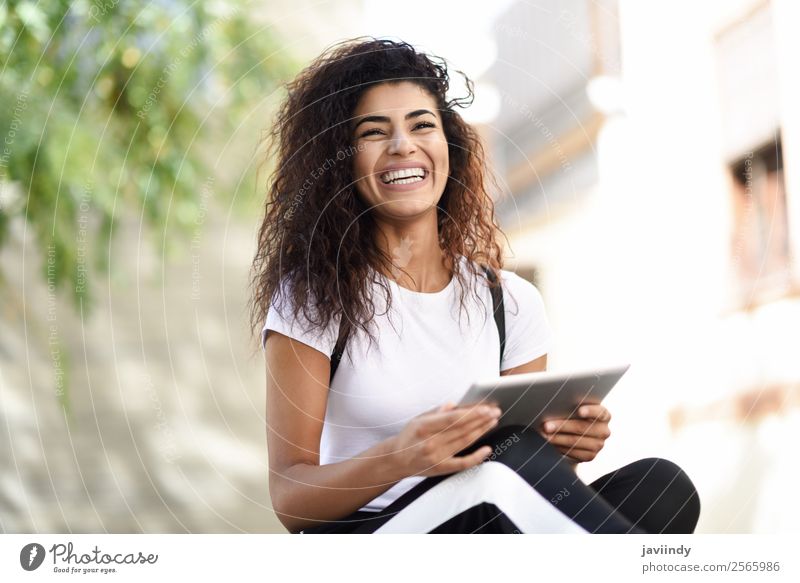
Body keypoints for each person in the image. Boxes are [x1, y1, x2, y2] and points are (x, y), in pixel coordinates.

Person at [249, 37, 700, 534]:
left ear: (450, 146)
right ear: (340, 161)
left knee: (662, 488)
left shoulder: (509, 302)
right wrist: (400, 457)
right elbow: (291, 500)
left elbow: (532, 483)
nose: (403, 145)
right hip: (376, 534)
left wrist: (565, 450)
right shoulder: (313, 297)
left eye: (422, 125)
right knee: (506, 471)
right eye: (374, 132)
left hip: (487, 517)